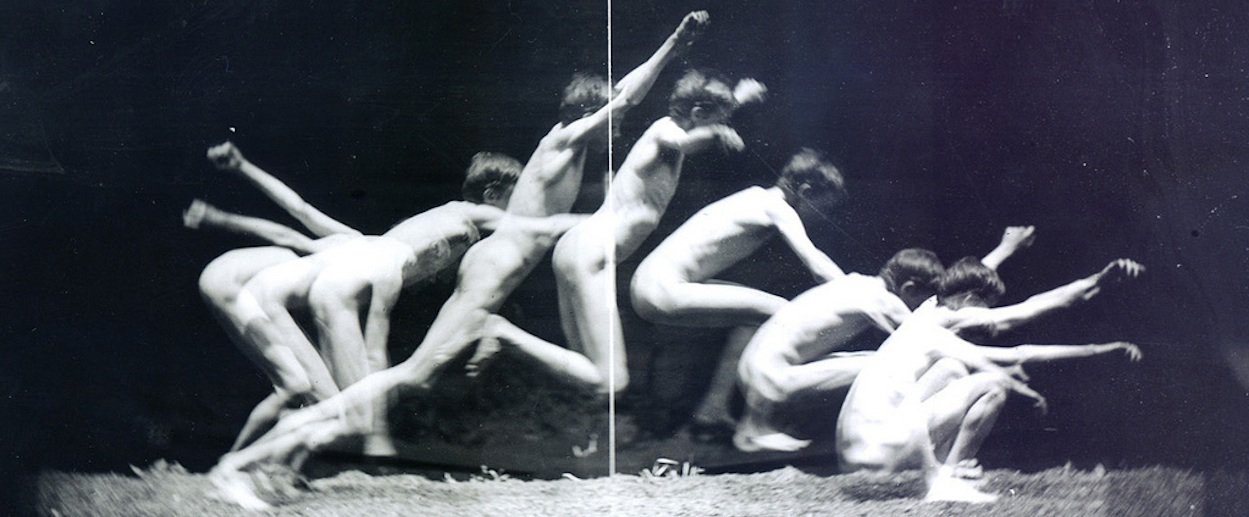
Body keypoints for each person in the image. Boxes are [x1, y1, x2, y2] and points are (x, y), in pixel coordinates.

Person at [208, 14, 707, 509]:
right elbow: (627, 98)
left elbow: (623, 94)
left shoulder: (570, 147)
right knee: (408, 376)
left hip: (491, 268)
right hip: (491, 272)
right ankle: (241, 464)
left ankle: (283, 460)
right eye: (609, 117)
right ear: (588, 114)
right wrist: (675, 42)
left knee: (413, 378)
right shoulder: (562, 139)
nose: (617, 125)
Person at [189, 144, 525, 454]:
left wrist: (241, 169)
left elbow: (299, 208)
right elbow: (288, 228)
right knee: (325, 402)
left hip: (245, 280)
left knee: (317, 396)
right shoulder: (377, 260)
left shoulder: (356, 242)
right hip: (249, 289)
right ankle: (241, 465)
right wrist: (224, 212)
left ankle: (249, 464)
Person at [477, 67, 768, 399]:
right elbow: (687, 142)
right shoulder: (665, 131)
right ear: (699, 114)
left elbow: (701, 121)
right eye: (719, 117)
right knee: (612, 383)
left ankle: (508, 341)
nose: (724, 123)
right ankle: (502, 333)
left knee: (589, 376)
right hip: (591, 251)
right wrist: (717, 131)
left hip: (576, 247)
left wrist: (737, 101)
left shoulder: (681, 126)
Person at [836, 257, 1146, 502]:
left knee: (952, 369)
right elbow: (1025, 325)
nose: (988, 318)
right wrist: (1097, 283)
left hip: (856, 457)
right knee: (992, 385)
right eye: (987, 307)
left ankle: (946, 470)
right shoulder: (948, 319)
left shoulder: (926, 316)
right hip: (880, 455)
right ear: (970, 298)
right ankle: (947, 480)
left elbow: (1011, 348)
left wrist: (1096, 341)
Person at [733, 227, 1036, 452]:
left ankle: (764, 422)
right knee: (886, 363)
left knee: (866, 360)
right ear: (909, 288)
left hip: (754, 375)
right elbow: (943, 315)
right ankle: (891, 439)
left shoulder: (856, 284)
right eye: (920, 298)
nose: (924, 305)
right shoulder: (884, 303)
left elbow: (953, 294)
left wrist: (1004, 250)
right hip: (770, 384)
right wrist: (999, 364)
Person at [630, 148, 847, 329]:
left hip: (646, 285)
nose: (824, 217)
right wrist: (855, 290)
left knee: (758, 314)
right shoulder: (777, 208)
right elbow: (815, 264)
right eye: (824, 209)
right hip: (663, 289)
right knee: (783, 311)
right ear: (806, 192)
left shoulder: (755, 196)